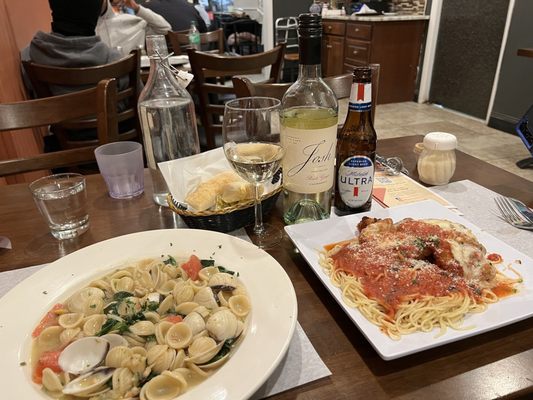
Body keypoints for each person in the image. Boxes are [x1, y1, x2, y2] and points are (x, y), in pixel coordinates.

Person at [97, 0, 171, 55]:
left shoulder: (136, 21)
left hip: (136, 70)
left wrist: (137, 8)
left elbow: (165, 29)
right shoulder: (91, 27)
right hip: (104, 71)